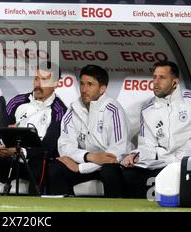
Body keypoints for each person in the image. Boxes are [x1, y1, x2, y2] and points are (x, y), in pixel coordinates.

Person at [120, 60, 191, 198]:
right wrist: (136, 156)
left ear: (175, 82)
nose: (156, 82)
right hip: (164, 163)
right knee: (130, 173)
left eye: (162, 77)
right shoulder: (147, 109)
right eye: (154, 77)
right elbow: (147, 146)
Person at [0, 61, 67, 195]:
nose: (38, 84)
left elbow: (49, 148)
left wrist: (20, 151)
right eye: (36, 78)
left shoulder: (60, 110)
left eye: (44, 80)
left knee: (42, 162)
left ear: (56, 84)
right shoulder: (17, 101)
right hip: (12, 160)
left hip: (36, 162)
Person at [49, 64, 131, 198]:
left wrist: (80, 168)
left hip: (110, 165)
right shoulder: (73, 109)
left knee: (109, 171)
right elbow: (64, 147)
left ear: (102, 89)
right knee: (56, 168)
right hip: (85, 160)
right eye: (82, 84)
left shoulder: (114, 110)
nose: (84, 89)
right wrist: (88, 157)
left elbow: (116, 154)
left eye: (89, 84)